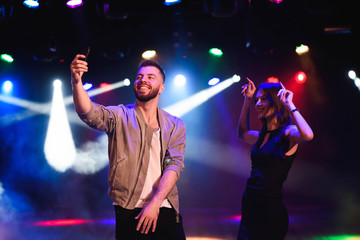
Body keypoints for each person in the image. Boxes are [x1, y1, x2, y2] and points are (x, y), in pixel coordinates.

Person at [70, 54, 187, 240]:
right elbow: (88, 112)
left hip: (164, 207)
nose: (143, 80)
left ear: (162, 87)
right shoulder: (119, 115)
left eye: (150, 77)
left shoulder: (175, 125)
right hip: (128, 209)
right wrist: (76, 81)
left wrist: (155, 203)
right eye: (139, 76)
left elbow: (174, 166)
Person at [237, 78, 314, 239]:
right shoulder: (261, 136)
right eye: (257, 99)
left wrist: (289, 104)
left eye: (263, 99)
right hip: (250, 204)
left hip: (270, 211)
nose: (258, 103)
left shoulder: (288, 133)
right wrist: (247, 100)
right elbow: (242, 133)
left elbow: (308, 135)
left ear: (276, 102)